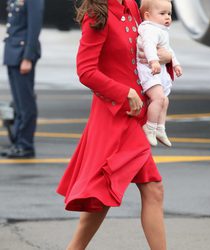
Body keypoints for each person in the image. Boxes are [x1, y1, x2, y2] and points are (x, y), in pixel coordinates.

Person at [56, 0, 172, 249]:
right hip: (114, 116)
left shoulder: (131, 5)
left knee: (143, 190)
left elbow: (147, 46)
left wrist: (168, 57)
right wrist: (124, 93)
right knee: (115, 192)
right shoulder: (96, 14)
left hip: (134, 116)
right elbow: (86, 70)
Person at [1, 0, 44, 158]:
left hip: (21, 54)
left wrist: (28, 57)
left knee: (26, 103)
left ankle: (25, 145)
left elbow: (34, 27)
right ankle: (18, 143)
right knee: (18, 104)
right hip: (12, 53)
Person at [137, 0, 182, 147]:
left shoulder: (160, 30)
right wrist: (153, 61)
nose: (167, 17)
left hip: (157, 70)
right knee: (158, 98)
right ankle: (149, 126)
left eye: (169, 13)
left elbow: (168, 50)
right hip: (149, 70)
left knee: (165, 100)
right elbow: (149, 46)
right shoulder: (149, 29)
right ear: (148, 15)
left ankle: (160, 128)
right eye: (162, 14)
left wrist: (175, 63)